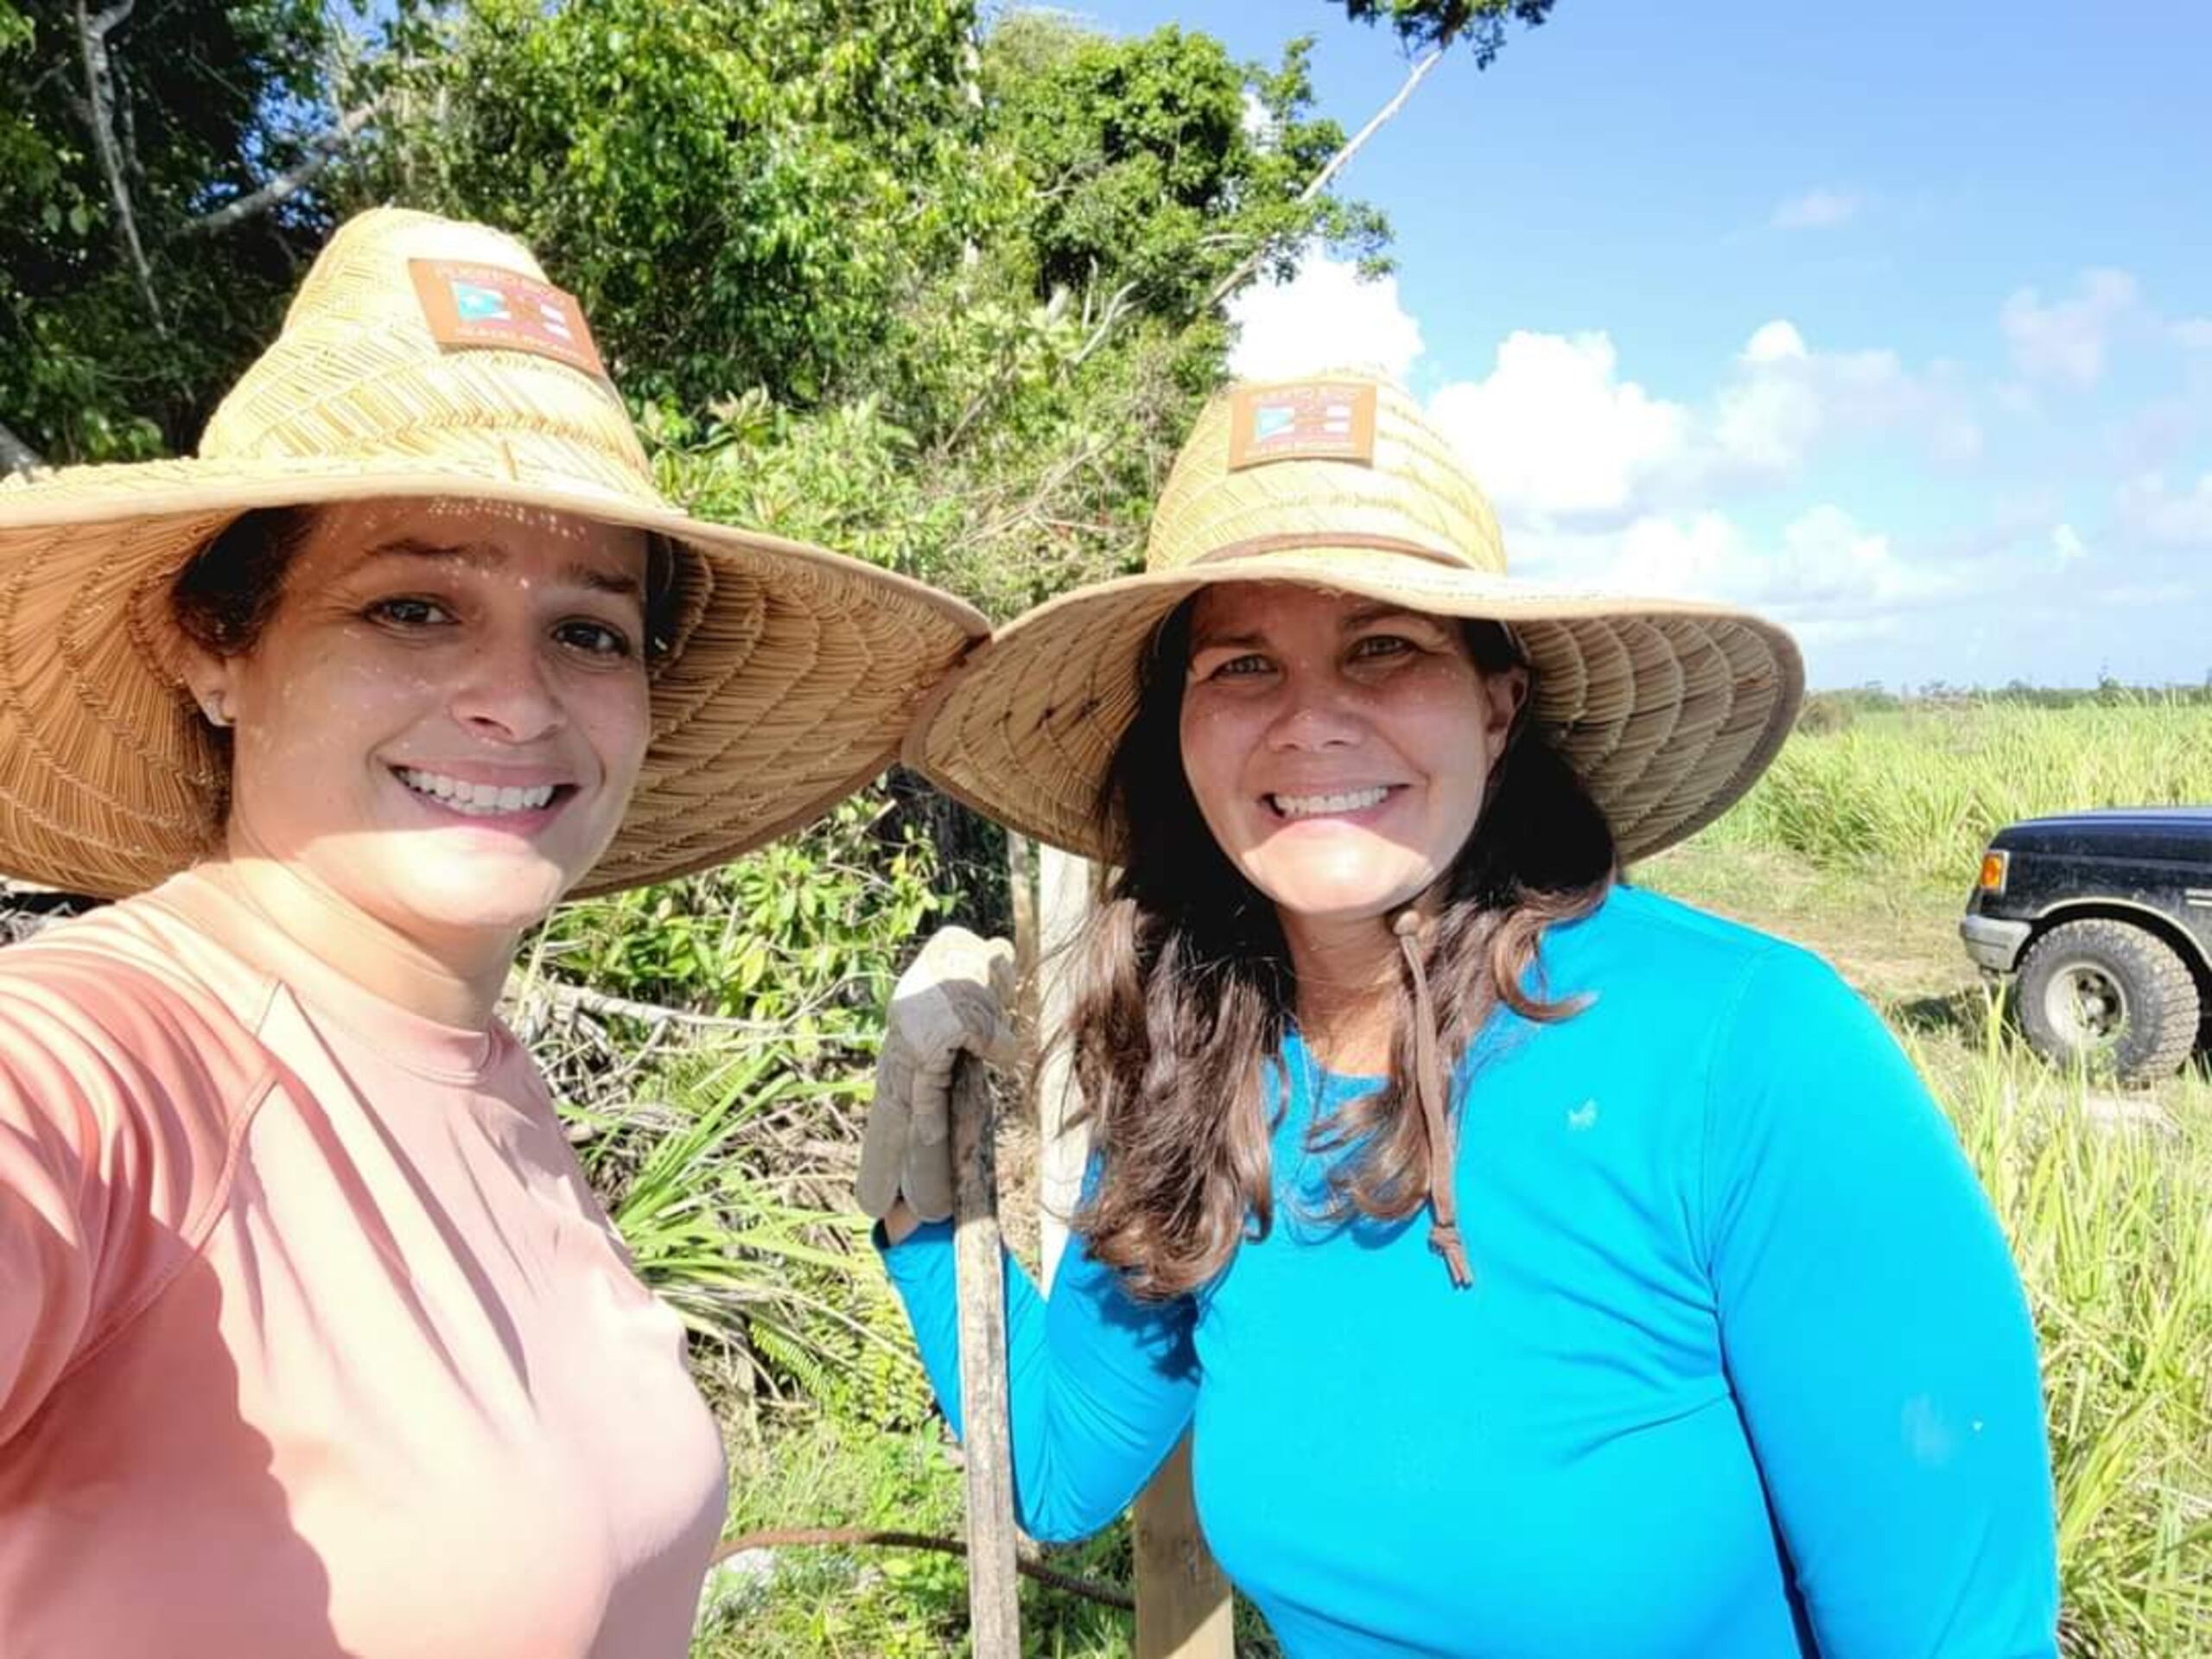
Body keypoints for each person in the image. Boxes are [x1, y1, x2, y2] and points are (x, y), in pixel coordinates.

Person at [859, 371, 2059, 1656]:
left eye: (1385, 647)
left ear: (1499, 703)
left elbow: (1961, 1631)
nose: (1311, 721)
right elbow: (1058, 1465)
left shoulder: (1750, 1058)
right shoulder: (1194, 1067)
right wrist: (920, 1206)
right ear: (1183, 728)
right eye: (1241, 665)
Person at [0, 207, 984, 1656]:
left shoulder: (479, 1068)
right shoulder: (113, 1059)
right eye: (411, 605)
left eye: (587, 631)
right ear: (216, 645)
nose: (514, 701)